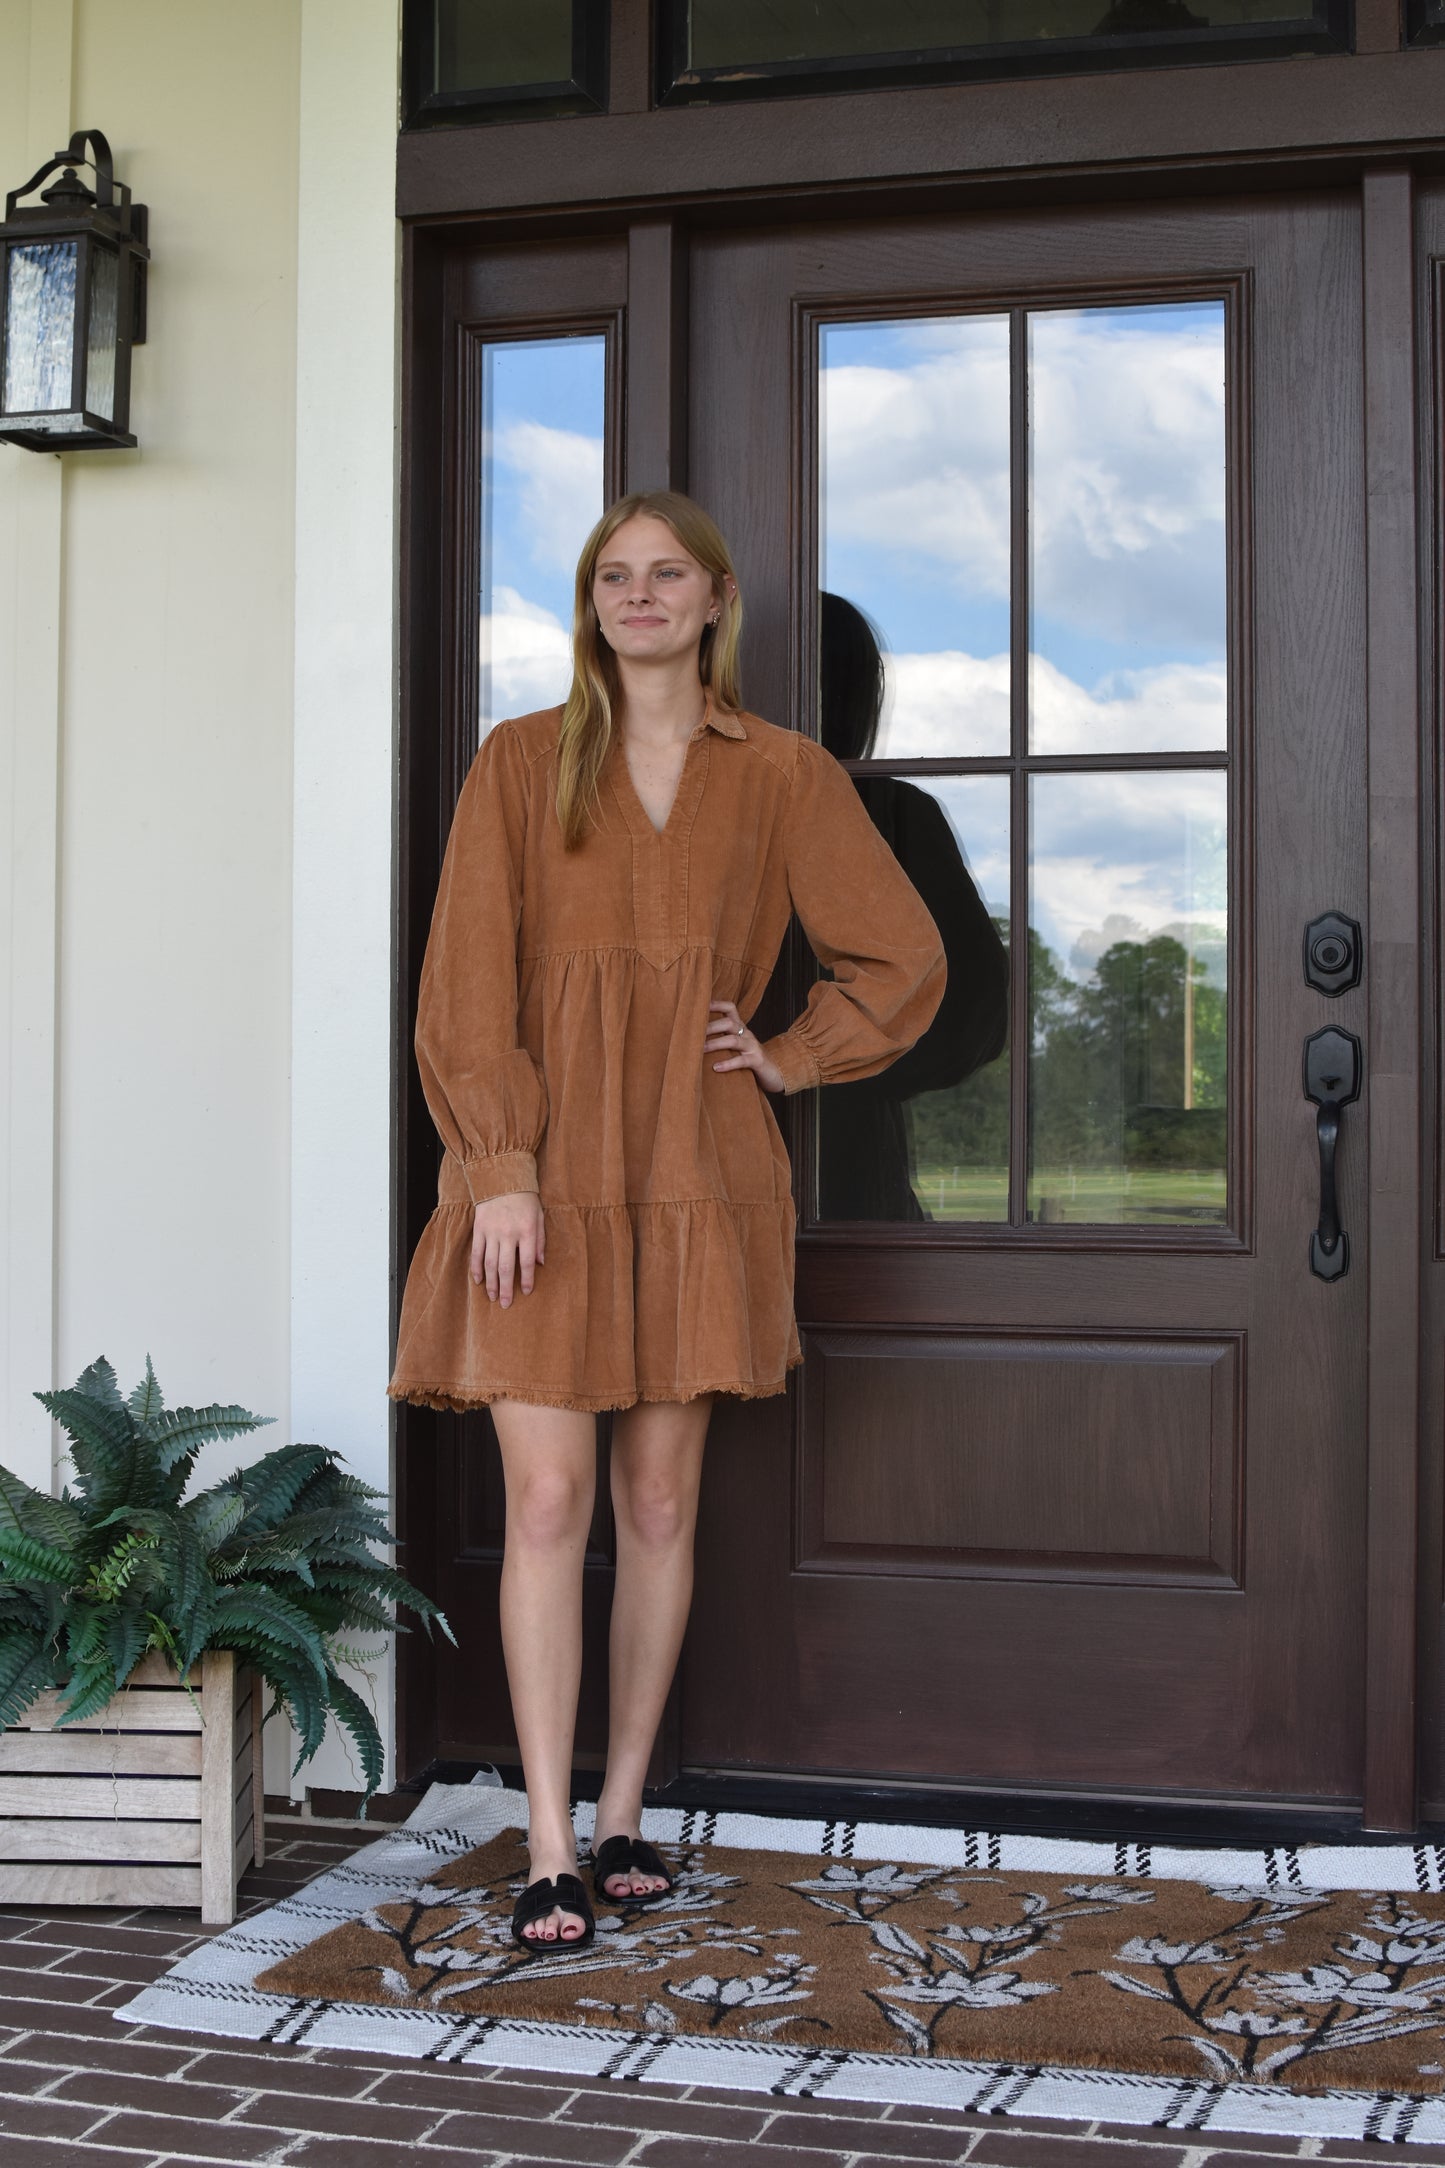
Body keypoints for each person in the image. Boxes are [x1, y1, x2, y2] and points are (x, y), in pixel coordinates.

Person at [388, 490, 947, 1955]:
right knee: (550, 1504)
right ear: (590, 604)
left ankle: (625, 1808)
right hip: (542, 1182)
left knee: (652, 1507)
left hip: (699, 1170)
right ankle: (548, 1841)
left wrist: (790, 1054)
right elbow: (461, 982)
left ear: (714, 603)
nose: (639, 596)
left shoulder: (780, 776)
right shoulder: (519, 764)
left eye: (667, 575)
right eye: (613, 576)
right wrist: (499, 1162)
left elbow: (900, 958)